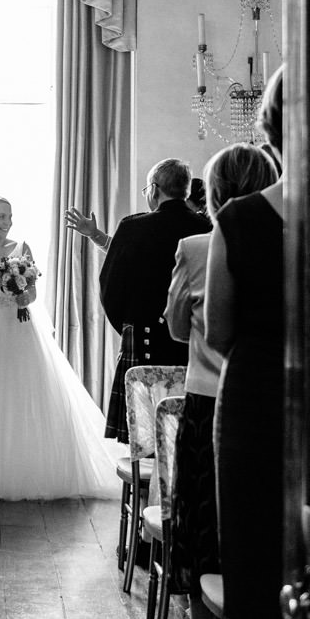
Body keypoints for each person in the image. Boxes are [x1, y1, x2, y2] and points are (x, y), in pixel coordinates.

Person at [161, 142, 280, 619]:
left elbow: (175, 326)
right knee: (257, 538)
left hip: (210, 401)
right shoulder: (293, 232)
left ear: (211, 194)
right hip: (274, 403)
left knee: (201, 537)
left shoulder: (194, 247)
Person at [0, 195, 121, 500]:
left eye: (10, 217)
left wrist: (22, 295)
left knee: (21, 395)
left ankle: (23, 471)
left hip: (18, 329)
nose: (7, 223)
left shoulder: (21, 248)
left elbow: (32, 293)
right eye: (1, 217)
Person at [205, 67, 287, 619]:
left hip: (257, 400)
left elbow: (220, 330)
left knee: (260, 587)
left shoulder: (239, 220)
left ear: (270, 128)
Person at [97, 159, 211, 442]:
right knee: (187, 431)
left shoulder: (132, 227)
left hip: (143, 338)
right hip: (193, 341)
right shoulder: (207, 227)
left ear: (155, 189)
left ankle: (144, 483)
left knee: (143, 434)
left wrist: (128, 327)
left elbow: (110, 286)